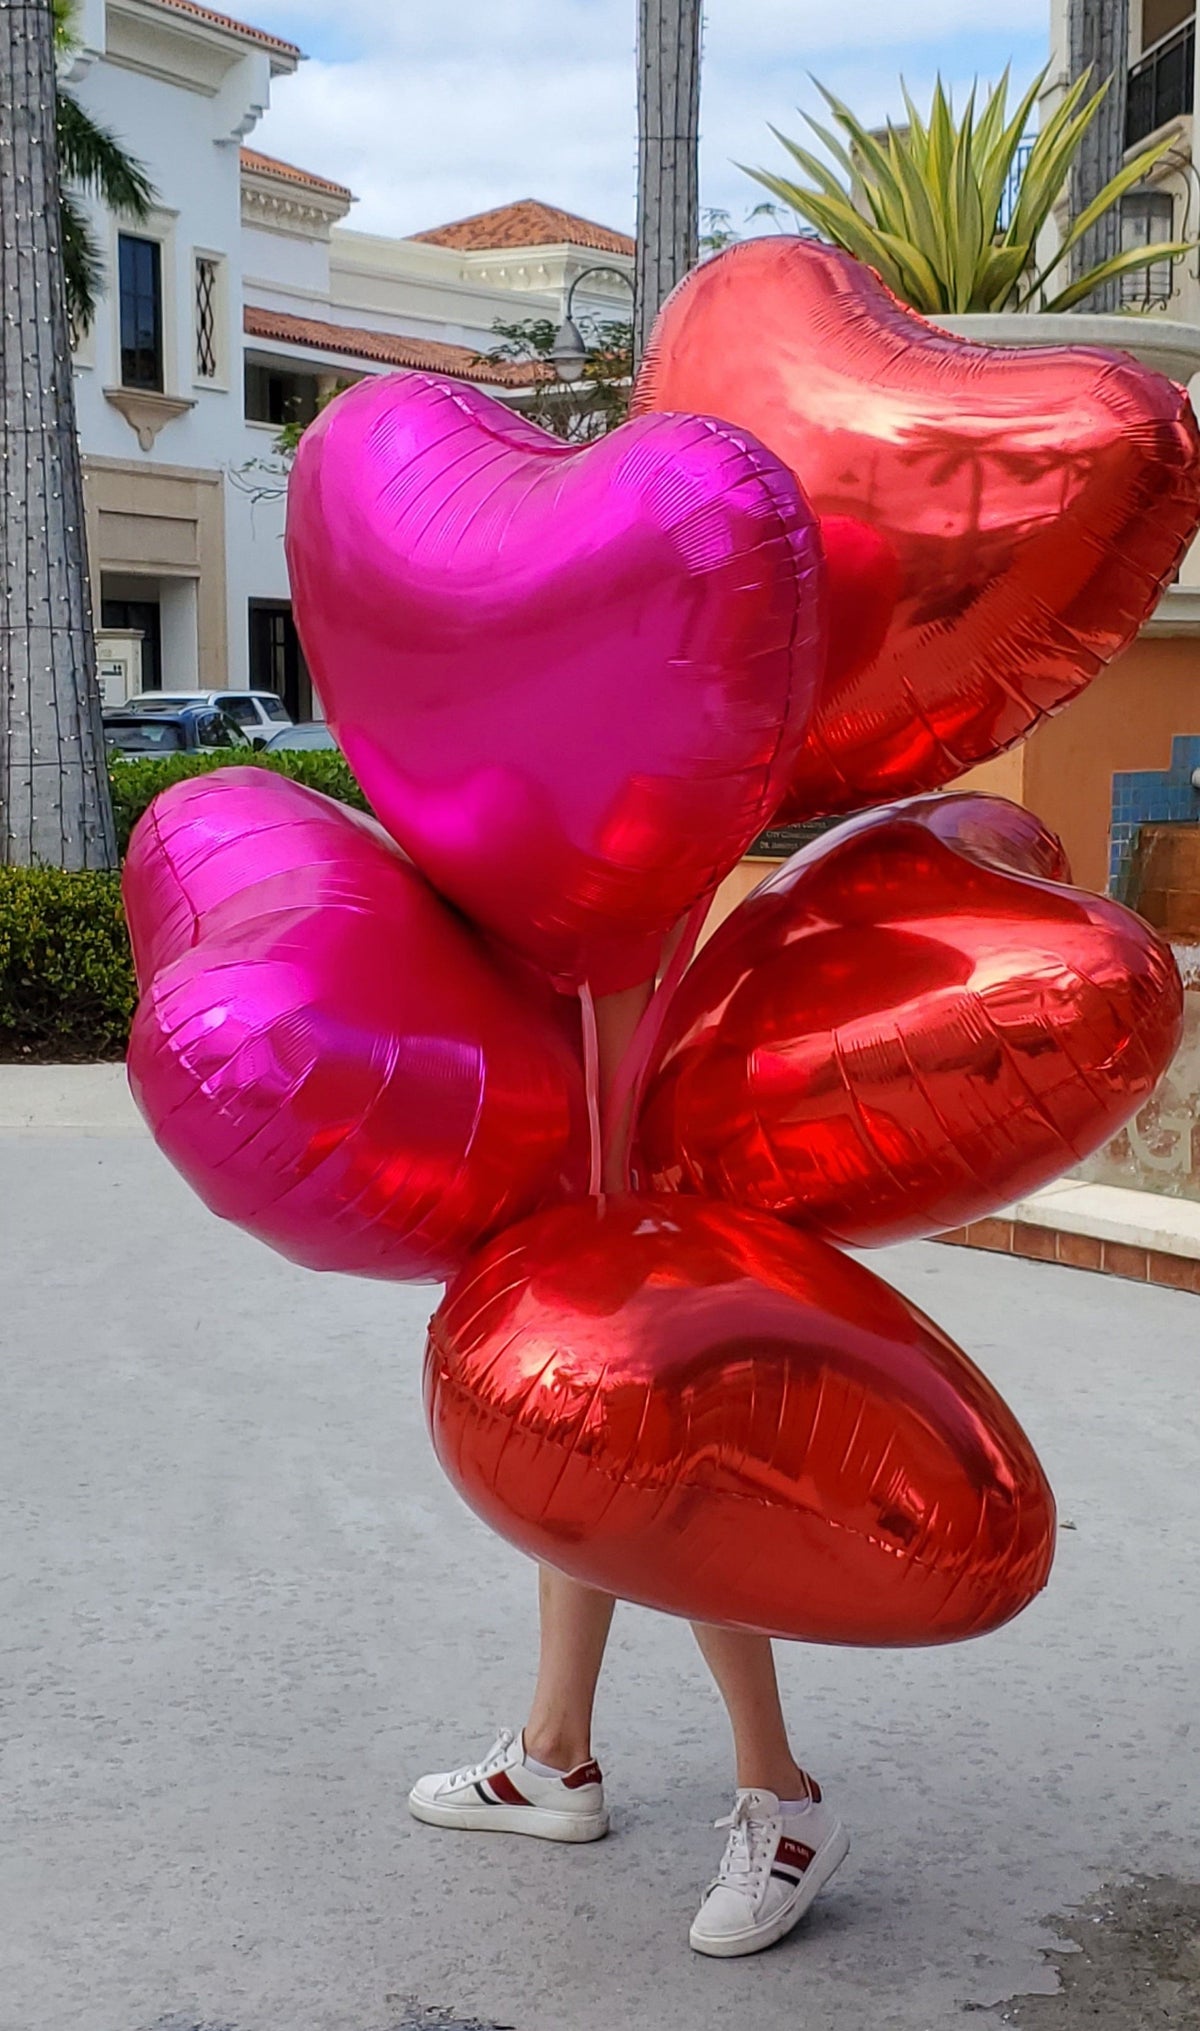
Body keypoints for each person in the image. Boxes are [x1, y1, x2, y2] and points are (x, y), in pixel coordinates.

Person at [408, 982, 849, 1958]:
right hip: (574, 1121)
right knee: (566, 1421)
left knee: (667, 1446)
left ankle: (782, 1795)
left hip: (650, 1117)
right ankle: (555, 1753)